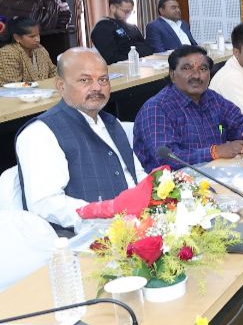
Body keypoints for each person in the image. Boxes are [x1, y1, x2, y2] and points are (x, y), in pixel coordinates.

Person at [15, 48, 146, 230]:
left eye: (103, 80)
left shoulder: (111, 122)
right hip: (84, 237)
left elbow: (136, 175)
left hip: (137, 225)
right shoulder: (41, 133)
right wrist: (101, 214)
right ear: (61, 86)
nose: (97, 87)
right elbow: (45, 203)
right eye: (85, 80)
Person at [133, 45, 243, 171]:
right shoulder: (157, 108)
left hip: (218, 173)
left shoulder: (211, 98)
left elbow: (241, 121)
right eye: (187, 68)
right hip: (176, 182)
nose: (196, 75)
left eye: (203, 69)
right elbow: (166, 158)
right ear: (172, 74)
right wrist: (215, 152)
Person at [90, 0, 154, 64]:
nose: (128, 15)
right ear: (113, 8)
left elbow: (146, 47)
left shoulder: (132, 27)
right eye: (126, 11)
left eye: (131, 12)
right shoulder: (102, 27)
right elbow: (111, 57)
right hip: (120, 67)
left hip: (142, 63)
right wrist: (135, 56)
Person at [0, 17, 57, 83]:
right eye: (32, 36)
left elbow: (53, 72)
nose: (37, 39)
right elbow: (12, 85)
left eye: (38, 35)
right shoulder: (8, 53)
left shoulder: (40, 49)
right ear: (17, 37)